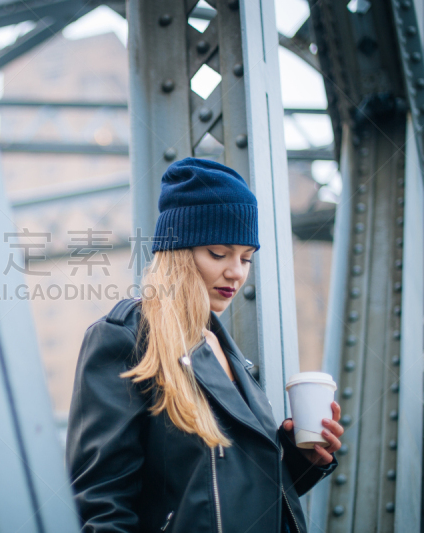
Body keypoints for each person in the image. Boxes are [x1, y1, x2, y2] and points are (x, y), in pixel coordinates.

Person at [66, 158, 343, 532]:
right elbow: (101, 504)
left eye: (246, 258)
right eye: (219, 253)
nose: (236, 272)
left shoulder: (228, 352)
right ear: (179, 251)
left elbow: (235, 491)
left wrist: (300, 456)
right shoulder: (126, 337)